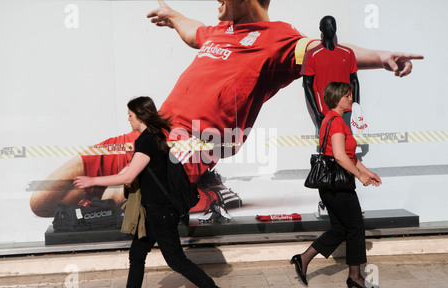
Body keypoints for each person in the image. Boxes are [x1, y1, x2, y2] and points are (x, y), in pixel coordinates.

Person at [147, 0, 423, 216]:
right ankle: (200, 185)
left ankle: (201, 193)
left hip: (191, 141)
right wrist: (173, 17)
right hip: (155, 129)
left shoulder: (277, 39)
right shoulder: (222, 30)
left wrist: (381, 57)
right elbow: (194, 31)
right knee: (104, 173)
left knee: (131, 194)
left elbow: (326, 52)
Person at [74, 96, 230, 288]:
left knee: (176, 260)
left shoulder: (147, 141)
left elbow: (129, 176)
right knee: (137, 254)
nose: (128, 119)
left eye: (130, 115)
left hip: (161, 212)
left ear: (140, 116)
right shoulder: (154, 136)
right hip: (153, 211)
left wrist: (92, 181)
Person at [290, 82, 382, 288]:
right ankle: (355, 276)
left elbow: (346, 155)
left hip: (332, 185)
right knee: (356, 228)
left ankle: (304, 258)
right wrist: (359, 175)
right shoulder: (337, 122)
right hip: (339, 186)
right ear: (338, 98)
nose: (351, 99)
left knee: (340, 229)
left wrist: (368, 172)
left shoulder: (332, 120)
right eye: (348, 96)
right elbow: (340, 157)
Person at [301, 15, 359, 128]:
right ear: (321, 28)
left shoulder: (347, 53)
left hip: (347, 112)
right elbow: (307, 84)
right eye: (328, 25)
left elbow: (355, 81)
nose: (331, 28)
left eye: (334, 25)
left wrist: (357, 108)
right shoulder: (312, 55)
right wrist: (317, 112)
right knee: (326, 145)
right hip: (325, 112)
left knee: (348, 144)